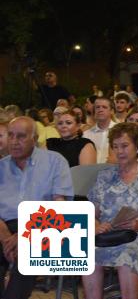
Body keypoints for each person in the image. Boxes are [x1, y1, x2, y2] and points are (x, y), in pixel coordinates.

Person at [82, 122, 138, 299]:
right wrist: (95, 225)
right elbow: (92, 211)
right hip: (109, 232)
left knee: (127, 253)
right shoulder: (104, 176)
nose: (119, 151)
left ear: (137, 147)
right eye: (115, 147)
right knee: (86, 252)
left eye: (124, 146)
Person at [0, 116, 73, 299]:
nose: (14, 142)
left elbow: (60, 208)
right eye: (11, 136)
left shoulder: (55, 162)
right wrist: (6, 239)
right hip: (4, 228)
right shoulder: (1, 167)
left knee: (28, 253)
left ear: (35, 138)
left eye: (21, 136)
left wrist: (25, 234)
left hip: (44, 226)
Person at [83, 97, 117, 163]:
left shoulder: (121, 131)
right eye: (97, 107)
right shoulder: (86, 135)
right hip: (92, 171)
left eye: (104, 107)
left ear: (112, 111)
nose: (100, 110)